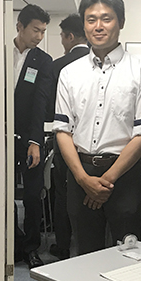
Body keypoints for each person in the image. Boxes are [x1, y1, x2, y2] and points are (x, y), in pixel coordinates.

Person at [54, 0, 141, 281]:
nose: (99, 26)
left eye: (106, 18)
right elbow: (62, 130)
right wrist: (83, 178)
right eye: (91, 19)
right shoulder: (69, 72)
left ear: (120, 22)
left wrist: (107, 180)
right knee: (85, 257)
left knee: (127, 260)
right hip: (79, 172)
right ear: (84, 25)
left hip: (123, 175)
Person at [12, 4, 53, 268]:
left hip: (30, 139)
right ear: (20, 27)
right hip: (2, 136)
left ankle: (31, 248)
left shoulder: (43, 61)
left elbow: (41, 103)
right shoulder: (1, 53)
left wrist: (35, 142)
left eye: (43, 31)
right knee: (3, 194)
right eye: (35, 30)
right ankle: (12, 242)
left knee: (32, 194)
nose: (39, 36)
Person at [48, 13, 89, 260]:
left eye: (62, 37)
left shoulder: (57, 66)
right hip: (92, 145)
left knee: (63, 192)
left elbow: (50, 109)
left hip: (65, 139)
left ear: (70, 36)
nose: (63, 42)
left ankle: (63, 245)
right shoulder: (101, 64)